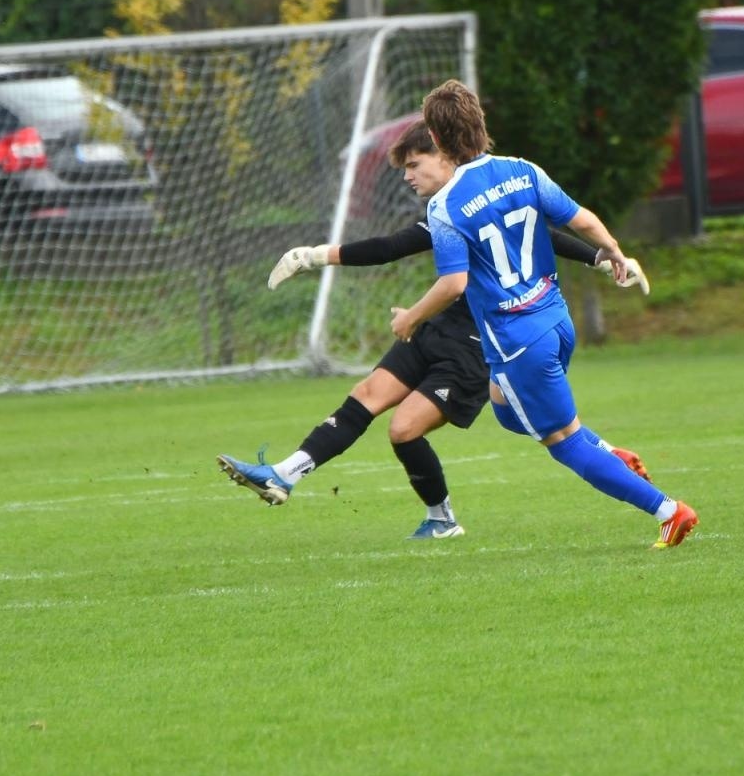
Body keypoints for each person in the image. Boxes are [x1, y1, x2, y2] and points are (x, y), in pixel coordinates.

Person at [219, 121, 652, 539]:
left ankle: (449, 517)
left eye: (414, 164)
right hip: (439, 326)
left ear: (444, 155)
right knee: (367, 394)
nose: (407, 176)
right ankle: (283, 475)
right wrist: (314, 256)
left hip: (479, 345)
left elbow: (540, 236)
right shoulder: (446, 209)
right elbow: (390, 247)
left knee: (405, 429)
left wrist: (601, 258)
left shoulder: (475, 197)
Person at [389, 80, 698, 549]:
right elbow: (581, 219)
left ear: (435, 136)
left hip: (518, 341)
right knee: (507, 409)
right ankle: (609, 454)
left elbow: (454, 284)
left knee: (563, 442)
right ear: (480, 123)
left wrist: (411, 317)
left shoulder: (446, 206)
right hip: (554, 320)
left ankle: (669, 511)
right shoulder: (523, 170)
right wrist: (614, 251)